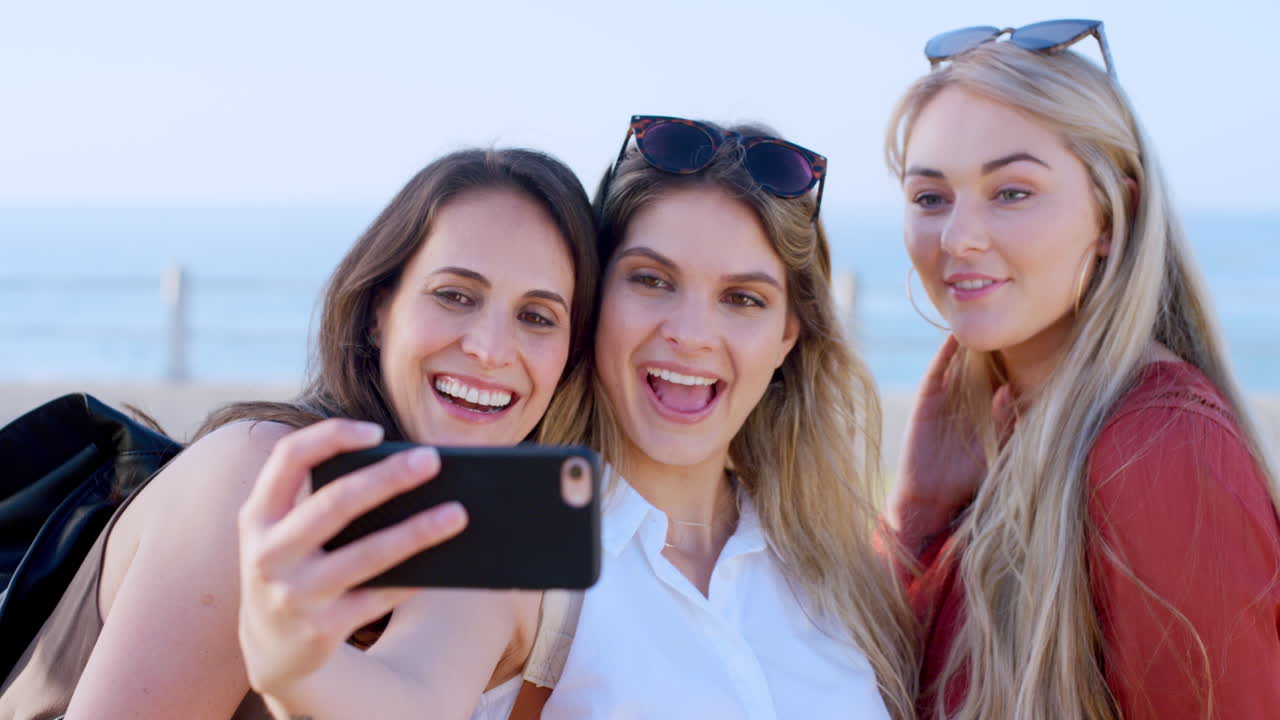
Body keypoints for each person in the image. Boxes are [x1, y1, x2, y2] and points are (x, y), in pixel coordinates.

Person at [241, 115, 918, 720]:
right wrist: (294, 665)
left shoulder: (834, 571)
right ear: (593, 305)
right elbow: (406, 697)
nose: (691, 332)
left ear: (788, 337)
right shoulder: (519, 540)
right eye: (651, 280)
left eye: (743, 299)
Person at [0, 147, 599, 719]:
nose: (491, 349)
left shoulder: (478, 533)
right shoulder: (257, 478)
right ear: (377, 314)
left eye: (536, 316)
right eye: (454, 295)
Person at [883, 22, 1280, 720]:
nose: (958, 237)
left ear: (1112, 214)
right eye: (930, 197)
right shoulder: (1001, 430)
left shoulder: (1159, 446)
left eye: (1012, 193)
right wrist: (918, 518)